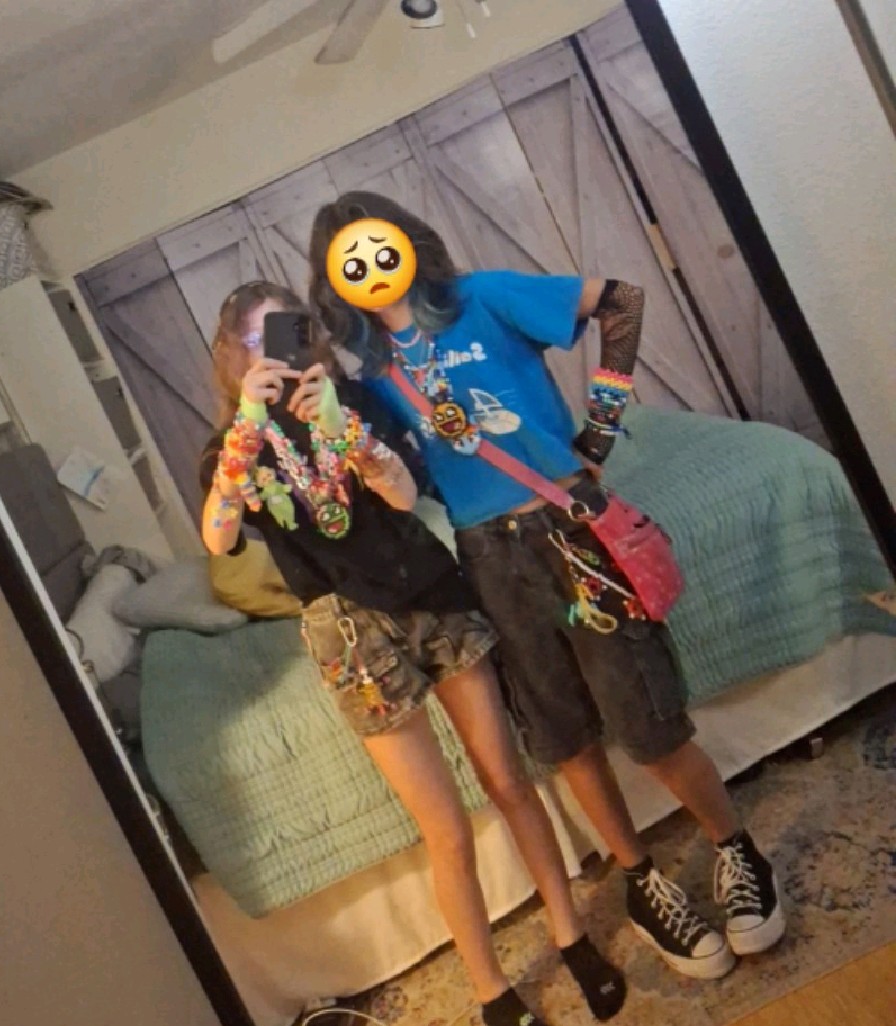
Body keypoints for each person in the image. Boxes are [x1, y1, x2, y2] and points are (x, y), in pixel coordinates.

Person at [308, 192, 786, 981]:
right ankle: (641, 881)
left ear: (406, 240)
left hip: (569, 532)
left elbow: (622, 300)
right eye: (347, 262)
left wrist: (599, 429)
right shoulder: (371, 376)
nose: (369, 266)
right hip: (485, 560)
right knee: (564, 739)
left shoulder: (484, 297)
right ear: (334, 282)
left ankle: (736, 850)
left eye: (376, 245)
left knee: (648, 722)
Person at [200, 281, 627, 1026]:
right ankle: (493, 994)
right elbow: (219, 536)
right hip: (349, 632)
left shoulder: (355, 400)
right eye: (258, 343)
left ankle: (571, 936)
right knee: (445, 827)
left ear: (310, 336)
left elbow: (401, 495)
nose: (278, 355)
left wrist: (347, 431)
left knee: (509, 781)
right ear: (234, 355)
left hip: (432, 595)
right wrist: (250, 423)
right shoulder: (236, 445)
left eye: (287, 334)